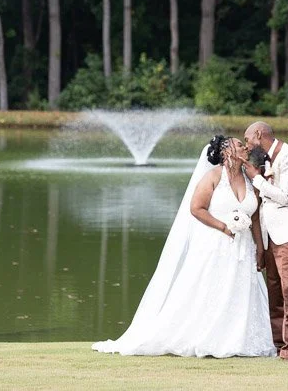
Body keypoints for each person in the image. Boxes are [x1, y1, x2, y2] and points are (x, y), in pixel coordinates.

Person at [92, 135, 274, 358]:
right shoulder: (213, 177)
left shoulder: (249, 178)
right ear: (226, 151)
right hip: (216, 244)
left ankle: (240, 337)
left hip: (243, 248)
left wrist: (260, 247)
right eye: (239, 145)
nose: (245, 148)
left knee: (242, 291)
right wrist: (223, 227)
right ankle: (208, 336)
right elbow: (197, 208)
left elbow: (254, 217)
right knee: (212, 289)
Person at [239, 122, 288, 361]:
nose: (246, 145)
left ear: (259, 135)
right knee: (274, 291)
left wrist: (257, 179)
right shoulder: (264, 159)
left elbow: (285, 196)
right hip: (269, 236)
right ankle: (277, 344)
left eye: (247, 139)